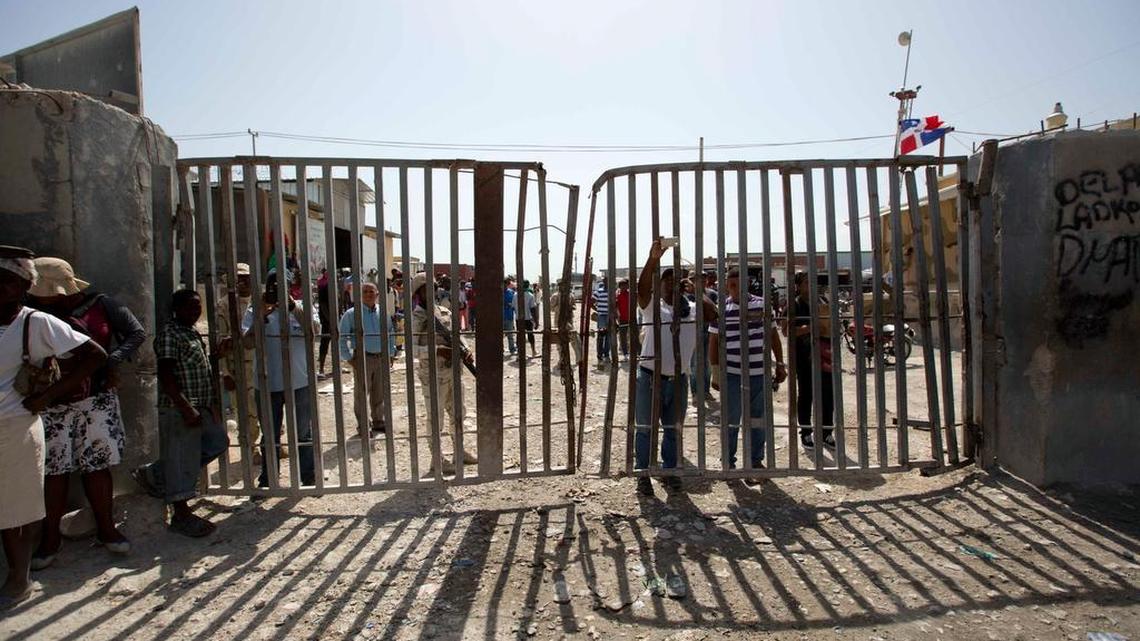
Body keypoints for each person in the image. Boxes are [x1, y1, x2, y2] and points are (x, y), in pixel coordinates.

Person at [0, 247, 107, 607]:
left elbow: (94, 354)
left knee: (14, 508)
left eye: (7, 282)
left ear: (23, 287)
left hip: (13, 427)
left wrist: (47, 397)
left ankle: (19, 578)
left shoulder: (34, 322)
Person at [26, 257, 145, 568]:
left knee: (97, 467)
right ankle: (49, 539)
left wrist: (111, 361)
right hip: (50, 403)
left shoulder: (101, 304)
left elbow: (135, 333)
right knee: (53, 472)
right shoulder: (34, 312)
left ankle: (107, 530)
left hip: (95, 399)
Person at [132, 289, 227, 537]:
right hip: (180, 408)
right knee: (181, 457)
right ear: (176, 309)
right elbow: (165, 374)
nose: (195, 311)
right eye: (189, 306)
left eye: (197, 306)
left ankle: (155, 474)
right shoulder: (170, 335)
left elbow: (196, 367)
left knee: (217, 442)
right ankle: (181, 514)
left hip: (199, 406)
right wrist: (185, 407)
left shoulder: (191, 333)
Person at [633, 239, 717, 495]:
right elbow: (642, 289)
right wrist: (652, 260)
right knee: (646, 429)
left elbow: (714, 314)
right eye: (666, 280)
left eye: (675, 280)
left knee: (673, 430)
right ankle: (644, 473)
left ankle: (670, 472)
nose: (671, 283)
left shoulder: (691, 308)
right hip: (650, 377)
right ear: (659, 285)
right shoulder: (653, 308)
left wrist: (695, 289)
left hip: (678, 380)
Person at [708, 266, 787, 479]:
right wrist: (715, 372)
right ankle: (729, 464)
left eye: (737, 285)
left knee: (757, 419)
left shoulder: (762, 305)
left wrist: (780, 363)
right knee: (731, 419)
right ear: (726, 286)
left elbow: (773, 336)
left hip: (758, 372)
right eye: (730, 285)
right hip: (732, 373)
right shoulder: (721, 309)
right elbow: (713, 341)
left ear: (746, 284)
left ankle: (754, 462)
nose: (734, 289)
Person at [241, 272, 318, 487]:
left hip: (299, 381)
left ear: (290, 286)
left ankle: (308, 475)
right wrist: (263, 314)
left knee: (303, 431)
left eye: (282, 285)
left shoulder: (303, 307)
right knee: (270, 433)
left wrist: (292, 307)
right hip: (267, 383)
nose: (277, 290)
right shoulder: (254, 310)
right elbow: (247, 343)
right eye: (274, 285)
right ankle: (269, 477)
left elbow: (314, 332)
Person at [410, 272, 475, 475]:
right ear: (418, 292)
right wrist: (437, 350)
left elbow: (457, 335)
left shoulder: (444, 312)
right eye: (426, 288)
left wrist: (466, 349)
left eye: (434, 287)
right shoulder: (417, 317)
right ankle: (437, 459)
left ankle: (459, 451)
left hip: (453, 371)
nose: (432, 291)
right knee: (435, 418)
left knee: (458, 413)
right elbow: (411, 350)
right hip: (432, 374)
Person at [338, 282, 395, 437]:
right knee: (362, 393)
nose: (369, 294)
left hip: (381, 357)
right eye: (365, 291)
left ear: (377, 294)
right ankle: (363, 426)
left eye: (372, 291)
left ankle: (378, 421)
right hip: (363, 358)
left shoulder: (383, 313)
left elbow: (390, 334)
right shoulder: (351, 314)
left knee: (379, 392)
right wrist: (349, 358)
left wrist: (390, 353)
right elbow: (342, 337)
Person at [788, 271, 836, 451]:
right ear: (798, 286)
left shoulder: (823, 302)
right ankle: (806, 432)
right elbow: (788, 331)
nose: (811, 286)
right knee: (806, 394)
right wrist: (811, 327)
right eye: (807, 282)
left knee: (827, 394)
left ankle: (826, 432)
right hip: (804, 356)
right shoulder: (795, 305)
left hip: (825, 354)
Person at [548, 282, 581, 372]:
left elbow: (574, 306)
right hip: (559, 321)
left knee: (573, 339)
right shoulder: (555, 296)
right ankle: (562, 360)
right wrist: (559, 307)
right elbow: (551, 308)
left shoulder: (570, 295)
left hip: (568, 321)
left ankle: (578, 359)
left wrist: (570, 307)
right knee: (560, 341)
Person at [591, 277, 610, 366]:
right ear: (604, 282)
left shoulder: (613, 291)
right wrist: (598, 310)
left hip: (610, 317)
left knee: (609, 337)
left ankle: (606, 355)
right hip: (602, 316)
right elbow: (591, 302)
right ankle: (599, 356)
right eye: (606, 281)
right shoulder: (598, 291)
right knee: (601, 336)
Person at [317, 268, 333, 376]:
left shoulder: (333, 286)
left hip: (334, 319)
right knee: (324, 343)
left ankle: (335, 367)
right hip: (327, 320)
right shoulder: (323, 287)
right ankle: (321, 368)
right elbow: (322, 305)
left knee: (336, 343)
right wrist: (329, 319)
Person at [615, 278, 633, 360]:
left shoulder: (630, 294)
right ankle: (625, 353)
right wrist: (617, 317)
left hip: (631, 318)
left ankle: (636, 352)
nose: (625, 287)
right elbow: (615, 307)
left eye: (626, 285)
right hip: (622, 319)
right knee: (623, 337)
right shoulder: (617, 295)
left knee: (633, 336)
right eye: (622, 286)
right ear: (620, 286)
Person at [520, 280, 538, 358]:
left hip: (519, 319)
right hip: (528, 319)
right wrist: (536, 321)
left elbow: (513, 306)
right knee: (530, 335)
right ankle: (533, 351)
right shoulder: (530, 295)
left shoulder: (516, 295)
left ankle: (520, 354)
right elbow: (533, 309)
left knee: (519, 335)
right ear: (528, 286)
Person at [502, 278, 517, 356]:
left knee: (510, 334)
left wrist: (510, 305)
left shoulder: (511, 293)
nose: (504, 285)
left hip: (509, 316)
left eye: (505, 284)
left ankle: (512, 349)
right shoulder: (498, 293)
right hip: (500, 316)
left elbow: (514, 304)